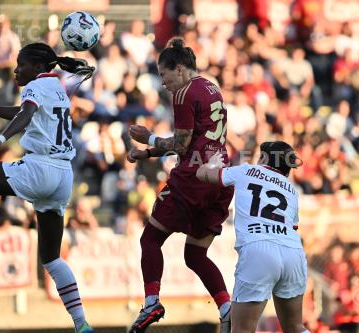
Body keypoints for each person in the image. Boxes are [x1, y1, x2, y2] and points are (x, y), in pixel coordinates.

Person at [0, 42, 95, 333]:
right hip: (63, 177)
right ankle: (82, 325)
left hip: (39, 168)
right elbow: (84, 70)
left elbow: (25, 113)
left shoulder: (36, 86)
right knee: (51, 258)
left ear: (38, 68)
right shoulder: (59, 86)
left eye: (21, 64)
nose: (16, 70)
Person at [127, 38, 234, 333]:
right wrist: (148, 153)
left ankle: (151, 303)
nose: (164, 84)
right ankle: (226, 308)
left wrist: (149, 138)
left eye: (164, 76)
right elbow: (197, 139)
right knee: (195, 255)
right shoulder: (212, 86)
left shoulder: (184, 92)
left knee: (150, 240)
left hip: (192, 178)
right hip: (221, 177)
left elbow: (182, 145)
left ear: (178, 68)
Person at [196, 141, 309, 333]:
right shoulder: (292, 190)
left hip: (259, 250)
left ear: (264, 158)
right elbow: (293, 225)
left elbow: (202, 174)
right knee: (295, 327)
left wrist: (212, 163)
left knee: (242, 329)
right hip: (293, 252)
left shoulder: (246, 171)